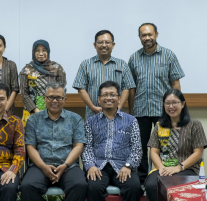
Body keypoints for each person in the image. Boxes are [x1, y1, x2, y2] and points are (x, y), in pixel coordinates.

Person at [128, 23, 185, 184]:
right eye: (143, 35)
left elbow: (175, 83)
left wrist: (178, 108)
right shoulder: (134, 58)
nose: (147, 38)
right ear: (139, 37)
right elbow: (131, 88)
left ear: (156, 35)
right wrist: (131, 111)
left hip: (164, 111)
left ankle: (164, 179)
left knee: (165, 148)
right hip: (141, 110)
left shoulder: (169, 55)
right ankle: (141, 181)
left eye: (149, 34)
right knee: (139, 148)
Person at [21, 82, 88, 201]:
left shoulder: (75, 119)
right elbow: (30, 147)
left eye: (59, 97)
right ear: (44, 98)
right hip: (40, 166)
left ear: (65, 99)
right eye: (51, 97)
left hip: (68, 166)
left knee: (80, 185)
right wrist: (43, 166)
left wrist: (65, 165)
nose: (54, 101)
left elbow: (78, 145)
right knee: (27, 186)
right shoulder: (33, 120)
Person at [82, 81, 143, 201]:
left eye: (112, 94)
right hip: (98, 166)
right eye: (105, 95)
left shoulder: (131, 120)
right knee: (93, 187)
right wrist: (90, 166)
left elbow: (137, 148)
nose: (108, 98)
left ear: (119, 99)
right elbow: (86, 148)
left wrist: (128, 166)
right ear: (99, 99)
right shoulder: (90, 122)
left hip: (123, 165)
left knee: (134, 187)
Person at [145, 89, 207, 201]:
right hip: (163, 168)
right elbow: (154, 151)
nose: (171, 106)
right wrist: (161, 168)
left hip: (186, 168)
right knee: (151, 185)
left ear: (183, 104)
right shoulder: (159, 125)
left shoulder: (194, 125)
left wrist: (178, 168)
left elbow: (198, 153)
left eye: (175, 102)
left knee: (175, 184)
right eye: (167, 103)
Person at [73, 30, 135, 119]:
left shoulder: (122, 64)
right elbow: (81, 88)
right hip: (93, 115)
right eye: (100, 42)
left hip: (117, 116)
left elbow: (127, 88)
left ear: (113, 45)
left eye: (107, 42)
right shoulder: (86, 64)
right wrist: (93, 108)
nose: (104, 45)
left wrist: (119, 107)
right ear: (95, 45)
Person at [20, 39, 66, 126]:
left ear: (48, 52)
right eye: (37, 50)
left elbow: (61, 91)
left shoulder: (57, 68)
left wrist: (51, 109)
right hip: (32, 112)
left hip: (53, 111)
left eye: (44, 50)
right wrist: (36, 110)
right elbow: (24, 93)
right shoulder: (27, 70)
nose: (41, 53)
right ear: (33, 52)